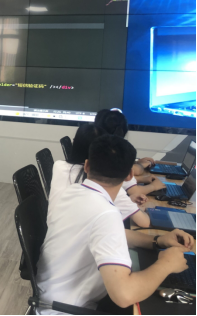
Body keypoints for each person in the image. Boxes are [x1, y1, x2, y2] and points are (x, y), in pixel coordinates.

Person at [36, 135, 194, 313]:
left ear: (86, 166)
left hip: (49, 298)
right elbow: (124, 295)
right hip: (67, 309)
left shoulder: (73, 192)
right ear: (129, 175)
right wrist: (166, 264)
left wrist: (157, 240)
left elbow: (111, 234)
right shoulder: (106, 214)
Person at [50, 125, 151, 228]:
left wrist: (128, 200)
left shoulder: (58, 166)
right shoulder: (107, 185)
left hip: (52, 228)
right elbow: (144, 222)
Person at [95, 109, 166, 197]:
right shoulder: (116, 153)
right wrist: (154, 186)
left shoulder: (96, 148)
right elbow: (134, 190)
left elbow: (111, 179)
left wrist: (140, 178)